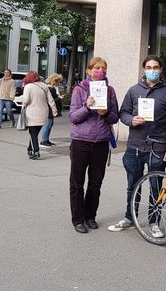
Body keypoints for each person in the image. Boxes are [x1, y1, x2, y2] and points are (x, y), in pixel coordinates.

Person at [108, 55, 166, 237]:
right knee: (133, 185)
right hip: (135, 144)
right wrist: (131, 120)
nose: (152, 70)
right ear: (144, 68)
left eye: (156, 67)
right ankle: (130, 218)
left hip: (159, 146)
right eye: (149, 67)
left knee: (156, 186)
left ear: (161, 69)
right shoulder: (134, 90)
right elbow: (123, 112)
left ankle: (154, 222)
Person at [68, 58, 119, 234]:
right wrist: (86, 107)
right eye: (97, 68)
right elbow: (73, 117)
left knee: (95, 183)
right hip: (81, 141)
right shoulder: (79, 90)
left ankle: (90, 216)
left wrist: (106, 114)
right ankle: (78, 219)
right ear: (89, 71)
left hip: (101, 142)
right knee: (77, 182)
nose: (101, 71)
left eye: (104, 68)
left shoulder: (110, 91)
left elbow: (115, 117)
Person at [21, 70, 58, 160]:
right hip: (43, 113)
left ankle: (36, 151)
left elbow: (26, 100)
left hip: (32, 113)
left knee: (33, 132)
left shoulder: (28, 86)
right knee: (35, 132)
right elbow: (51, 100)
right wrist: (54, 111)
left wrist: (23, 104)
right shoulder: (44, 86)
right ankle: (30, 148)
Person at [40, 73, 65, 146]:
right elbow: (51, 100)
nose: (59, 83)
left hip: (50, 109)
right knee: (48, 124)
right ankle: (44, 140)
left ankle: (46, 139)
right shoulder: (49, 88)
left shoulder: (51, 88)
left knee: (49, 124)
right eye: (58, 81)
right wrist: (59, 98)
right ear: (54, 81)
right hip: (49, 109)